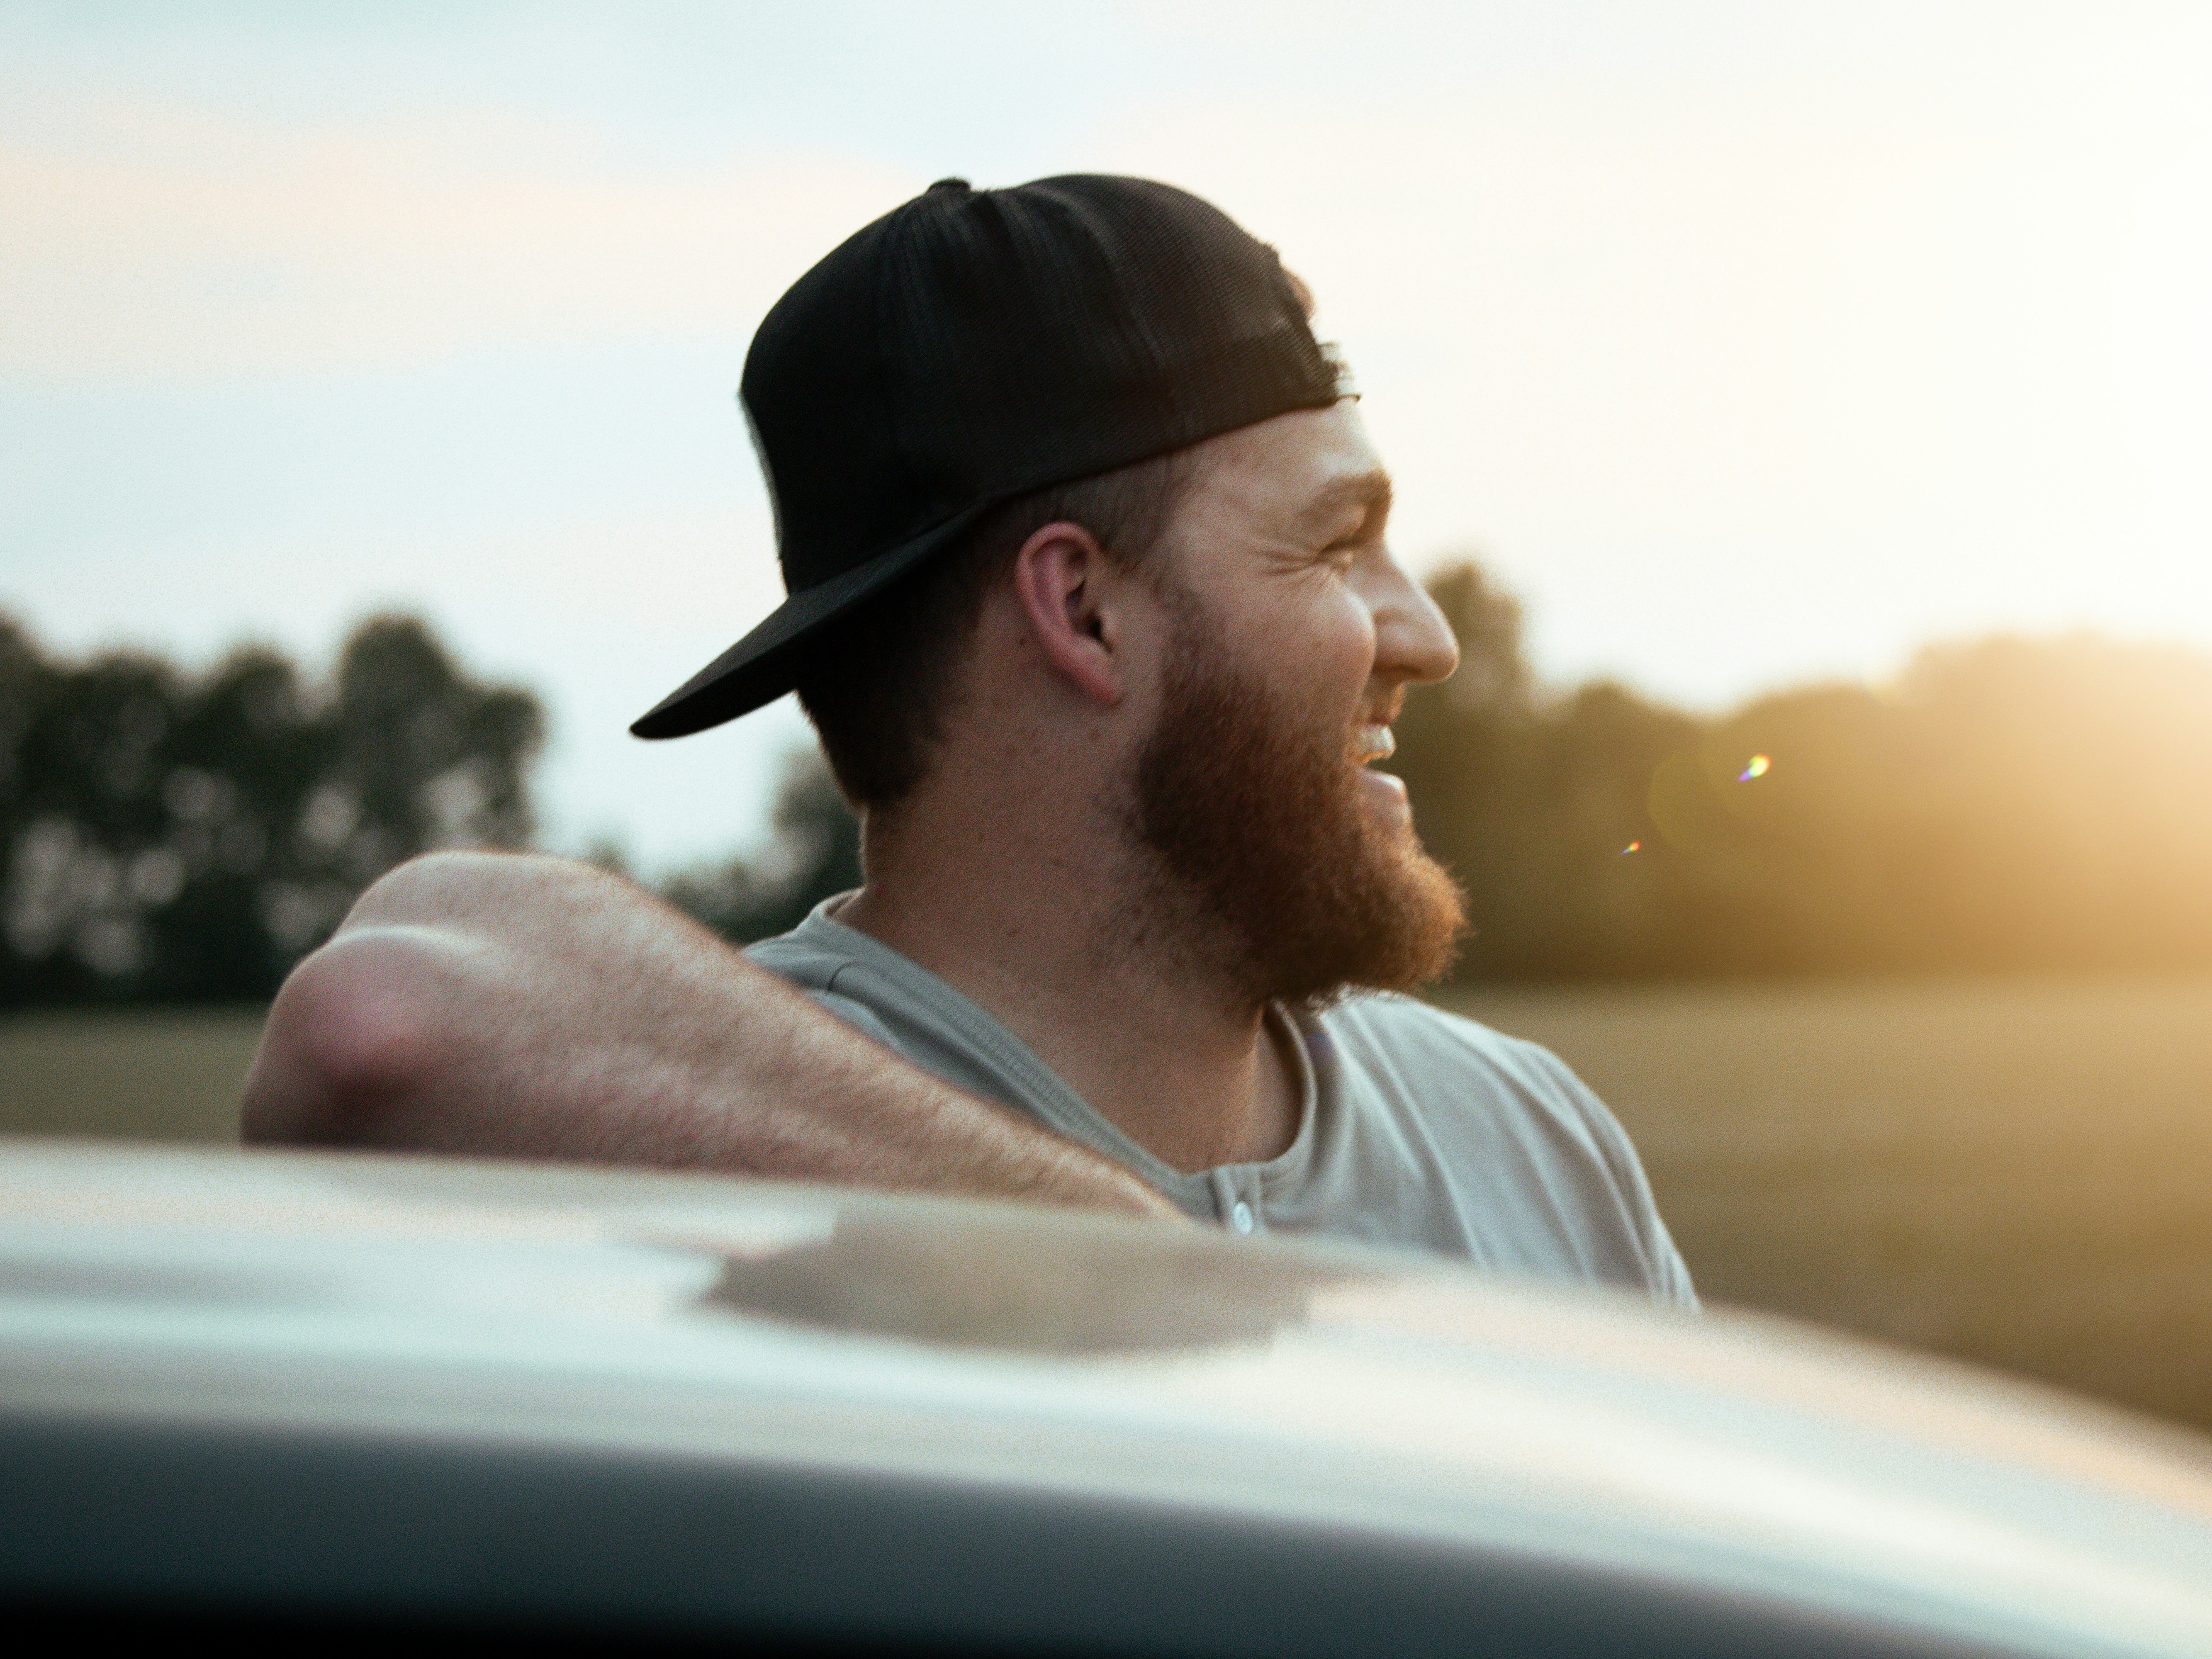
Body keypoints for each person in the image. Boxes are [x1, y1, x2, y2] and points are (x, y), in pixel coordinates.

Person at [244, 175, 1693, 1305]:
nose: (1427, 636)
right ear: (1083, 610)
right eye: (1332, 546)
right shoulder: (672, 1160)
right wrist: (1122, 1256)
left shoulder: (1531, 1143)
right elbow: (389, 1020)